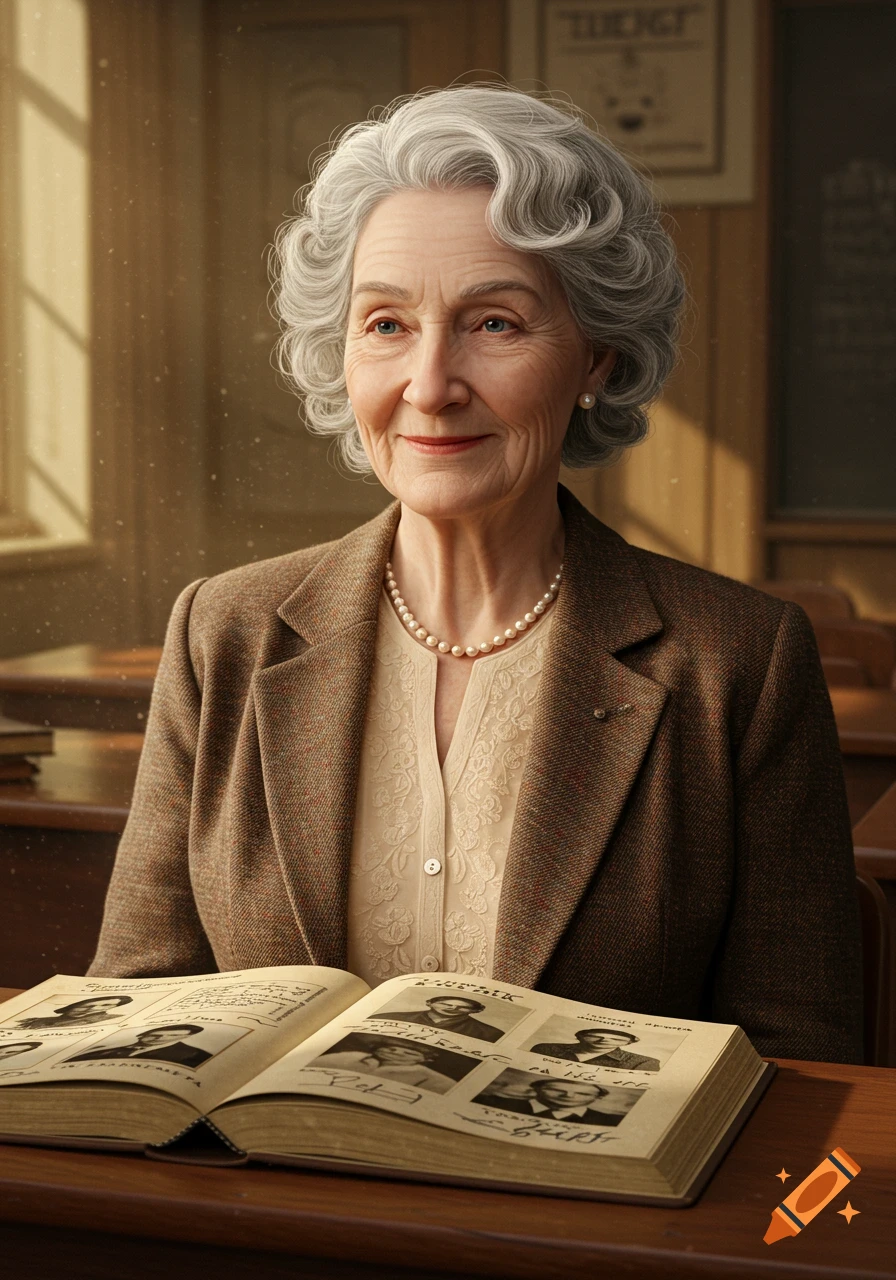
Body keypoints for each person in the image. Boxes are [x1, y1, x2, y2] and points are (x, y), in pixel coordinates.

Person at [88, 85, 862, 1065]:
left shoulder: (736, 663)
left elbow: (804, 1070)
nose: (428, 385)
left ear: (596, 356)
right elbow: (133, 1016)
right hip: (268, 1206)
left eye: (493, 323)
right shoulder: (222, 632)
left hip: (585, 1221)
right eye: (385, 325)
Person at [309, 1039, 456, 1094]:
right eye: (390, 1049)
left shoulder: (434, 1079)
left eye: (409, 1052)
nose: (397, 1053)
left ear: (425, 1060)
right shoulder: (347, 1057)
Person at [474, 1078, 624, 1126]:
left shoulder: (612, 1121)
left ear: (598, 1098)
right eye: (556, 1090)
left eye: (583, 1093)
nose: (569, 1095)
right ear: (537, 1089)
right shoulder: (489, 1102)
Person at [66, 1024, 211, 1069]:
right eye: (156, 1034)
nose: (161, 1038)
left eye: (172, 1036)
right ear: (142, 1035)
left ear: (185, 1038)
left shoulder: (196, 1055)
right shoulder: (104, 1048)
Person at [371, 995, 502, 1042]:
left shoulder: (490, 1033)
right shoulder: (388, 1017)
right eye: (445, 1004)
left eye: (462, 1007)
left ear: (476, 1011)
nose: (453, 1008)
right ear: (429, 1003)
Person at [531, 1028, 661, 1071]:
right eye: (595, 1037)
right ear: (580, 1037)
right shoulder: (545, 1048)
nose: (604, 1041)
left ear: (628, 1043)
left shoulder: (644, 1062)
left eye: (616, 1039)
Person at [15, 996, 133, 1030]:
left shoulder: (113, 1019)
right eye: (89, 1005)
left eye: (106, 1005)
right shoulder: (36, 1020)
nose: (95, 1008)